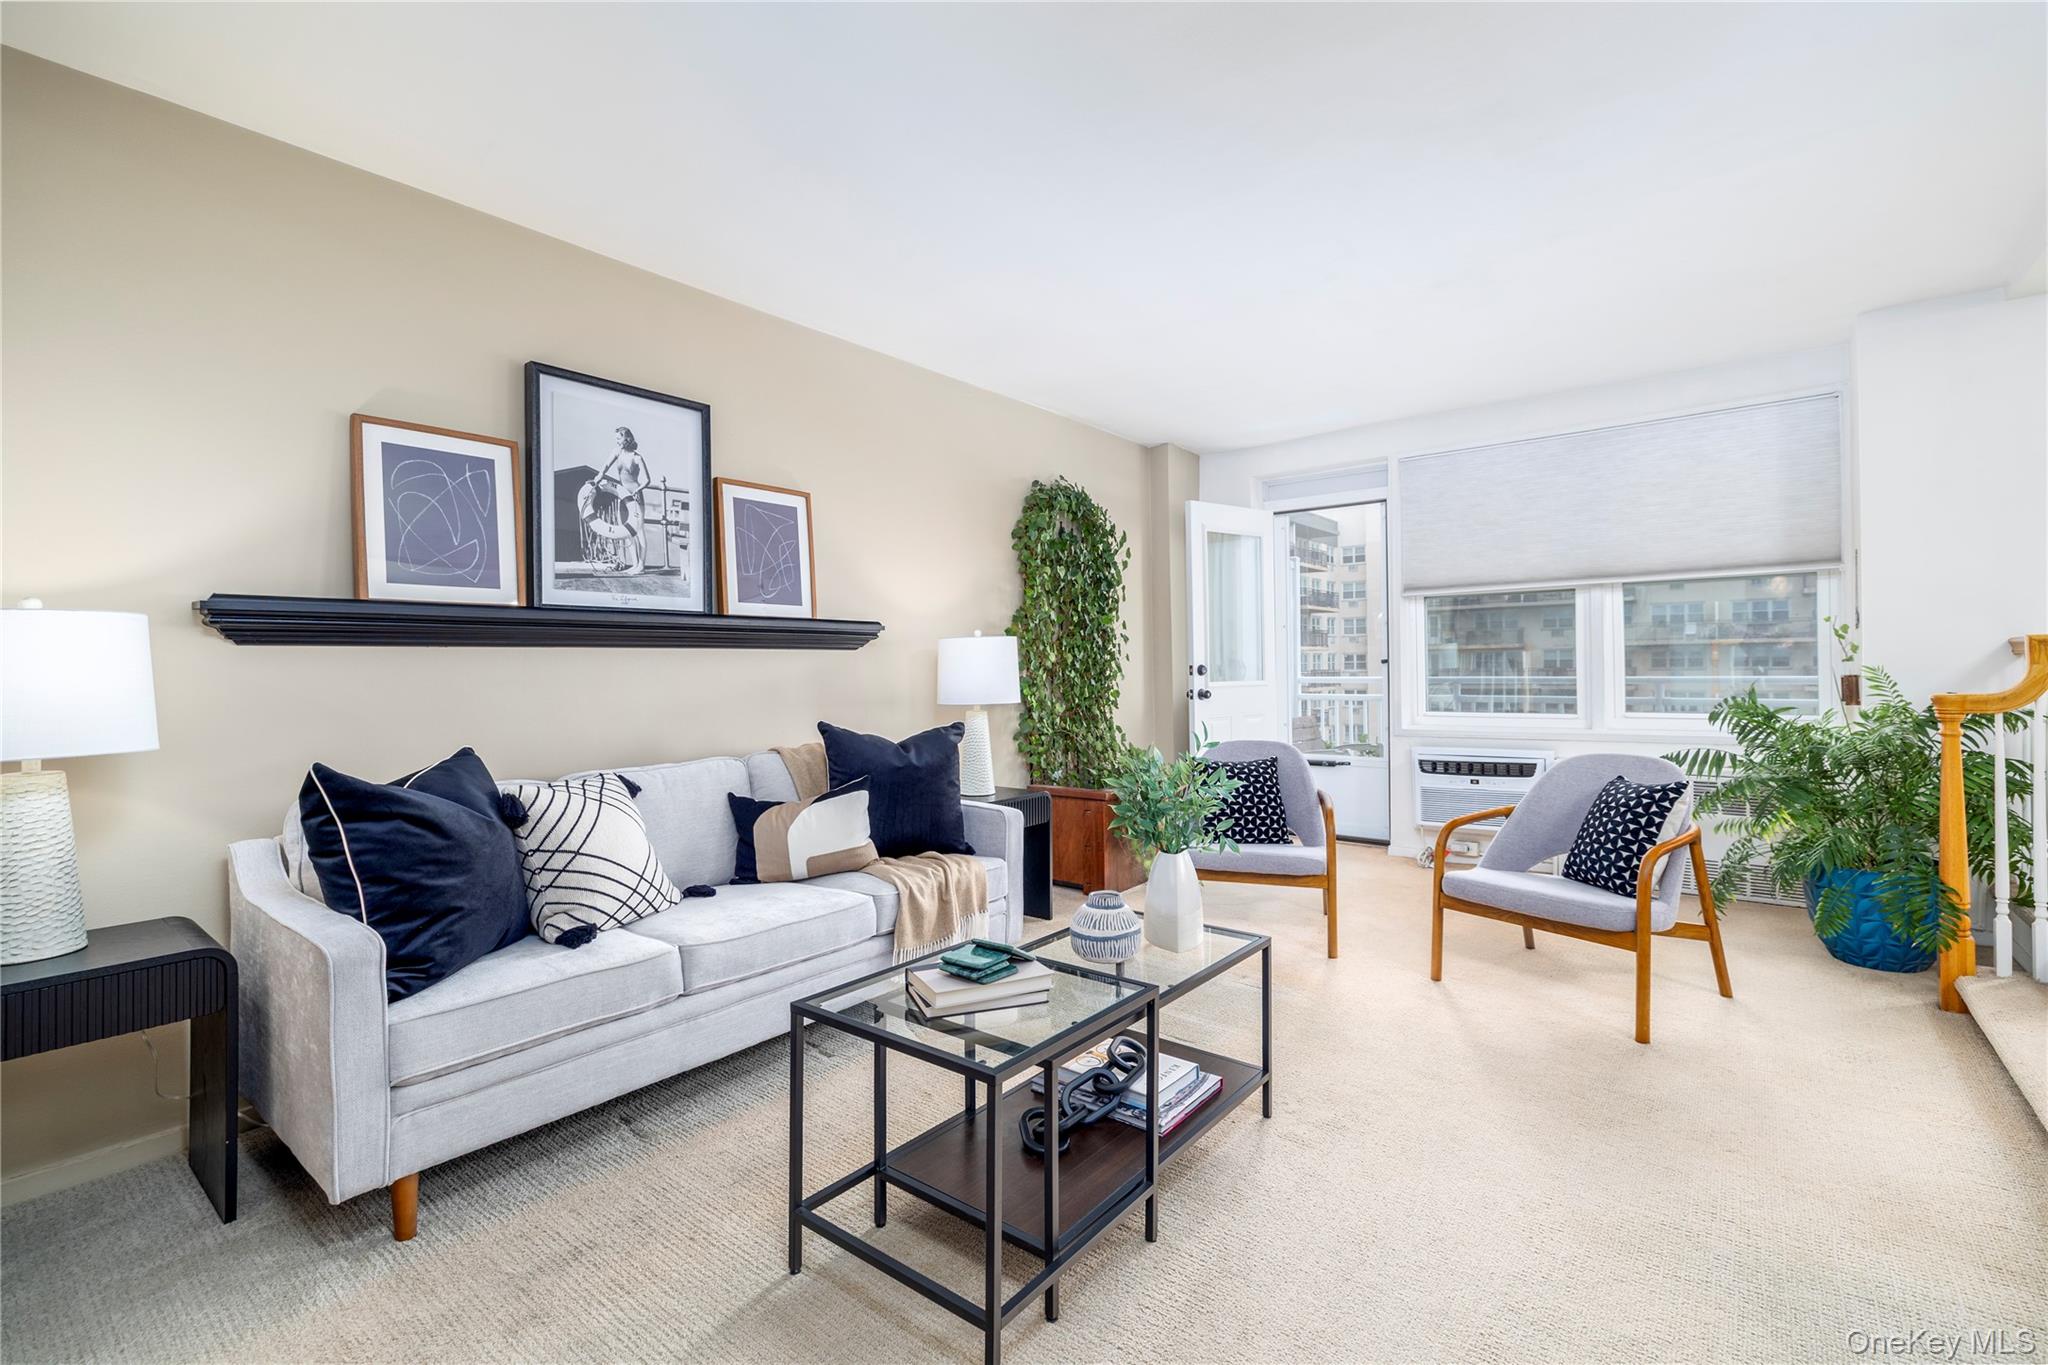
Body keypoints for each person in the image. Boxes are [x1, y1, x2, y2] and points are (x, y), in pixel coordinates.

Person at [577, 426, 650, 574]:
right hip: (623, 495)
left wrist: (637, 490)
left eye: (619, 438)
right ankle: (634, 564)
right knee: (626, 530)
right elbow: (605, 466)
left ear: (627, 438)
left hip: (635, 496)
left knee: (639, 530)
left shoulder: (637, 458)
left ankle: (641, 566)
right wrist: (597, 478)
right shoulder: (616, 452)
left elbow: (647, 480)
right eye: (616, 438)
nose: (617, 441)